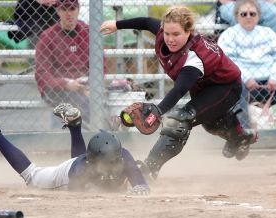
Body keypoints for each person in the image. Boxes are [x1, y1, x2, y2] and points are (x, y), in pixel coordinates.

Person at [100, 6, 258, 179]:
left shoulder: (193, 57)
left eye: (176, 34)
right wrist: (116, 24)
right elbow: (145, 22)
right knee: (210, 123)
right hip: (203, 86)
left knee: (180, 119)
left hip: (225, 87)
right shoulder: (163, 32)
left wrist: (158, 111)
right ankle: (240, 137)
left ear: (188, 32)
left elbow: (179, 90)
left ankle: (149, 168)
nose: (170, 39)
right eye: (167, 33)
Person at [0, 103, 150, 194]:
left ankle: (74, 125)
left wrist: (139, 187)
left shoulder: (124, 155)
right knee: (33, 176)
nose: (112, 166)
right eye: (105, 164)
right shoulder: (79, 171)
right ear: (91, 161)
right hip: (64, 174)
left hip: (83, 161)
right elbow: (79, 199)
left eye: (113, 162)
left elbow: (142, 186)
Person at [218, 0, 276, 129]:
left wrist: (274, 77)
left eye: (252, 13)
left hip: (269, 77)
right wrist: (246, 77)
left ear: (259, 15)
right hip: (243, 79)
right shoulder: (228, 35)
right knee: (235, 87)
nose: (248, 16)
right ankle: (244, 131)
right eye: (244, 14)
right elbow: (229, 62)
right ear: (237, 15)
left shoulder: (268, 33)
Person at [35, 0, 91, 122]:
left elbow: (99, 65)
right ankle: (63, 137)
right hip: (58, 88)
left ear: (78, 10)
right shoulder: (47, 36)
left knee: (89, 99)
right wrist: (66, 84)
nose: (68, 14)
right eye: (64, 9)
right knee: (71, 101)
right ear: (58, 11)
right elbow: (42, 74)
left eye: (72, 9)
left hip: (84, 86)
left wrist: (92, 85)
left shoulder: (88, 32)